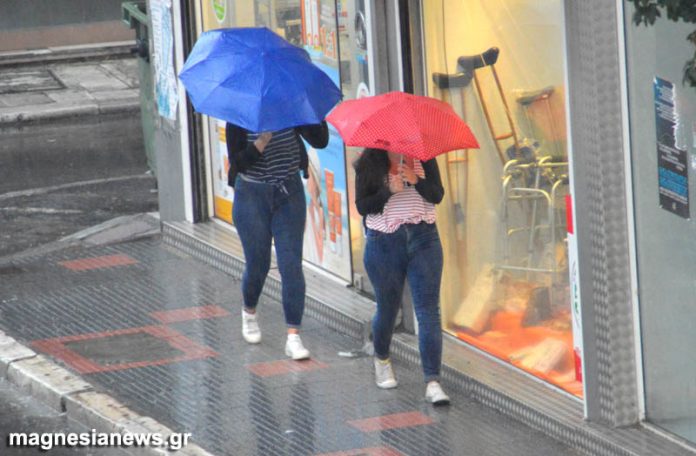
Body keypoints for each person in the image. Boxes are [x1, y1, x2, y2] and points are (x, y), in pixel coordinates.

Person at [354, 148, 450, 405]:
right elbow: (363, 206)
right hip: (384, 242)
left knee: (428, 310)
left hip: (424, 238)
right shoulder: (369, 161)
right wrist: (388, 192)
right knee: (388, 309)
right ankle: (382, 358)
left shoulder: (424, 156)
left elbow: (437, 195)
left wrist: (417, 181)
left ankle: (432, 381)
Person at [226, 121, 329, 360]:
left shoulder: (289, 108)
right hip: (252, 194)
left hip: (288, 192)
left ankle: (293, 335)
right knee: (258, 264)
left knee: (291, 264)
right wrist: (260, 143)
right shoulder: (241, 116)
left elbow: (320, 140)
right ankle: (249, 310)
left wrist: (308, 116)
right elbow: (238, 162)